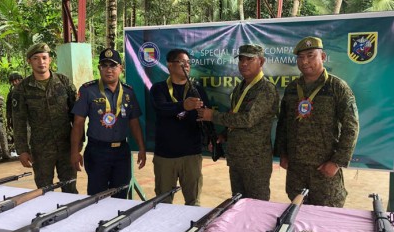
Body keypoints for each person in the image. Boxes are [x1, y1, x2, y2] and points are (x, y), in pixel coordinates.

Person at [274, 36, 360, 207]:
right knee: (298, 217)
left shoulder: (337, 87)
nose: (305, 61)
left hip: (324, 170)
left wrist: (337, 162)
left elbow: (351, 127)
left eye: (310, 55)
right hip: (296, 171)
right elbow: (283, 123)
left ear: (323, 57)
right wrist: (282, 154)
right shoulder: (292, 88)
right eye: (300, 57)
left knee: (327, 218)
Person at [198, 44, 279, 200]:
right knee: (238, 203)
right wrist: (223, 136)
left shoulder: (266, 89)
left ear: (261, 62)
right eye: (241, 59)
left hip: (255, 161)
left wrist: (212, 116)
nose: (244, 63)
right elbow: (234, 118)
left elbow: (248, 119)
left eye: (249, 59)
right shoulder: (239, 88)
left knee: (257, 206)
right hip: (236, 158)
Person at [70, 48, 146, 199]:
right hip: (97, 151)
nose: (109, 70)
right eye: (104, 66)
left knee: (121, 195)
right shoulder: (87, 90)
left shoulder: (128, 92)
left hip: (121, 152)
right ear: (99, 68)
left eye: (113, 65)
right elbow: (78, 123)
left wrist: (142, 148)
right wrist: (74, 152)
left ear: (120, 68)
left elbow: (134, 122)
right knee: (97, 196)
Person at [12, 43, 78, 193]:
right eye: (36, 58)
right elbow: (19, 122)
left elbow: (76, 116)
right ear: (29, 61)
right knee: (44, 191)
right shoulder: (22, 89)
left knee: (70, 188)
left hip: (66, 147)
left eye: (44, 57)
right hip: (41, 149)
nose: (41, 62)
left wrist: (78, 143)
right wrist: (22, 150)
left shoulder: (63, 82)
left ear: (50, 60)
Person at [150, 48, 210, 206]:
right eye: (182, 62)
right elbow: (161, 109)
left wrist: (211, 137)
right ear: (170, 65)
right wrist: (184, 105)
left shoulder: (196, 89)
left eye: (189, 63)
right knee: (163, 202)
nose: (187, 66)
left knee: (193, 202)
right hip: (165, 156)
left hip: (191, 155)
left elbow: (206, 115)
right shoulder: (158, 88)